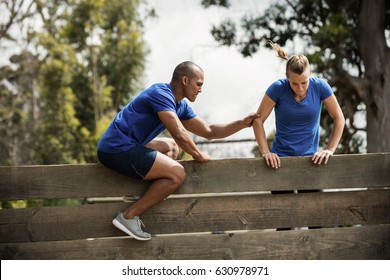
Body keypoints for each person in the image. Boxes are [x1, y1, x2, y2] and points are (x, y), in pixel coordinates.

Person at [97, 61, 259, 241]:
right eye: (198, 84)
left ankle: (147, 193)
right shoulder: (160, 94)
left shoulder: (179, 105)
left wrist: (242, 124)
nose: (200, 90)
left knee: (171, 147)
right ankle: (128, 216)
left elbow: (209, 131)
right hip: (116, 148)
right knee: (178, 174)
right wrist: (198, 155)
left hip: (126, 147)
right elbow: (179, 132)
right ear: (184, 80)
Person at [253, 41, 345, 169]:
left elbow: (339, 117)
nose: (300, 88)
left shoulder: (320, 87)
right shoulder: (277, 88)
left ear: (310, 74)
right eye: (294, 84)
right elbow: (258, 120)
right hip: (279, 161)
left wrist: (330, 150)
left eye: (304, 82)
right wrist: (266, 152)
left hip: (311, 160)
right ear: (287, 77)